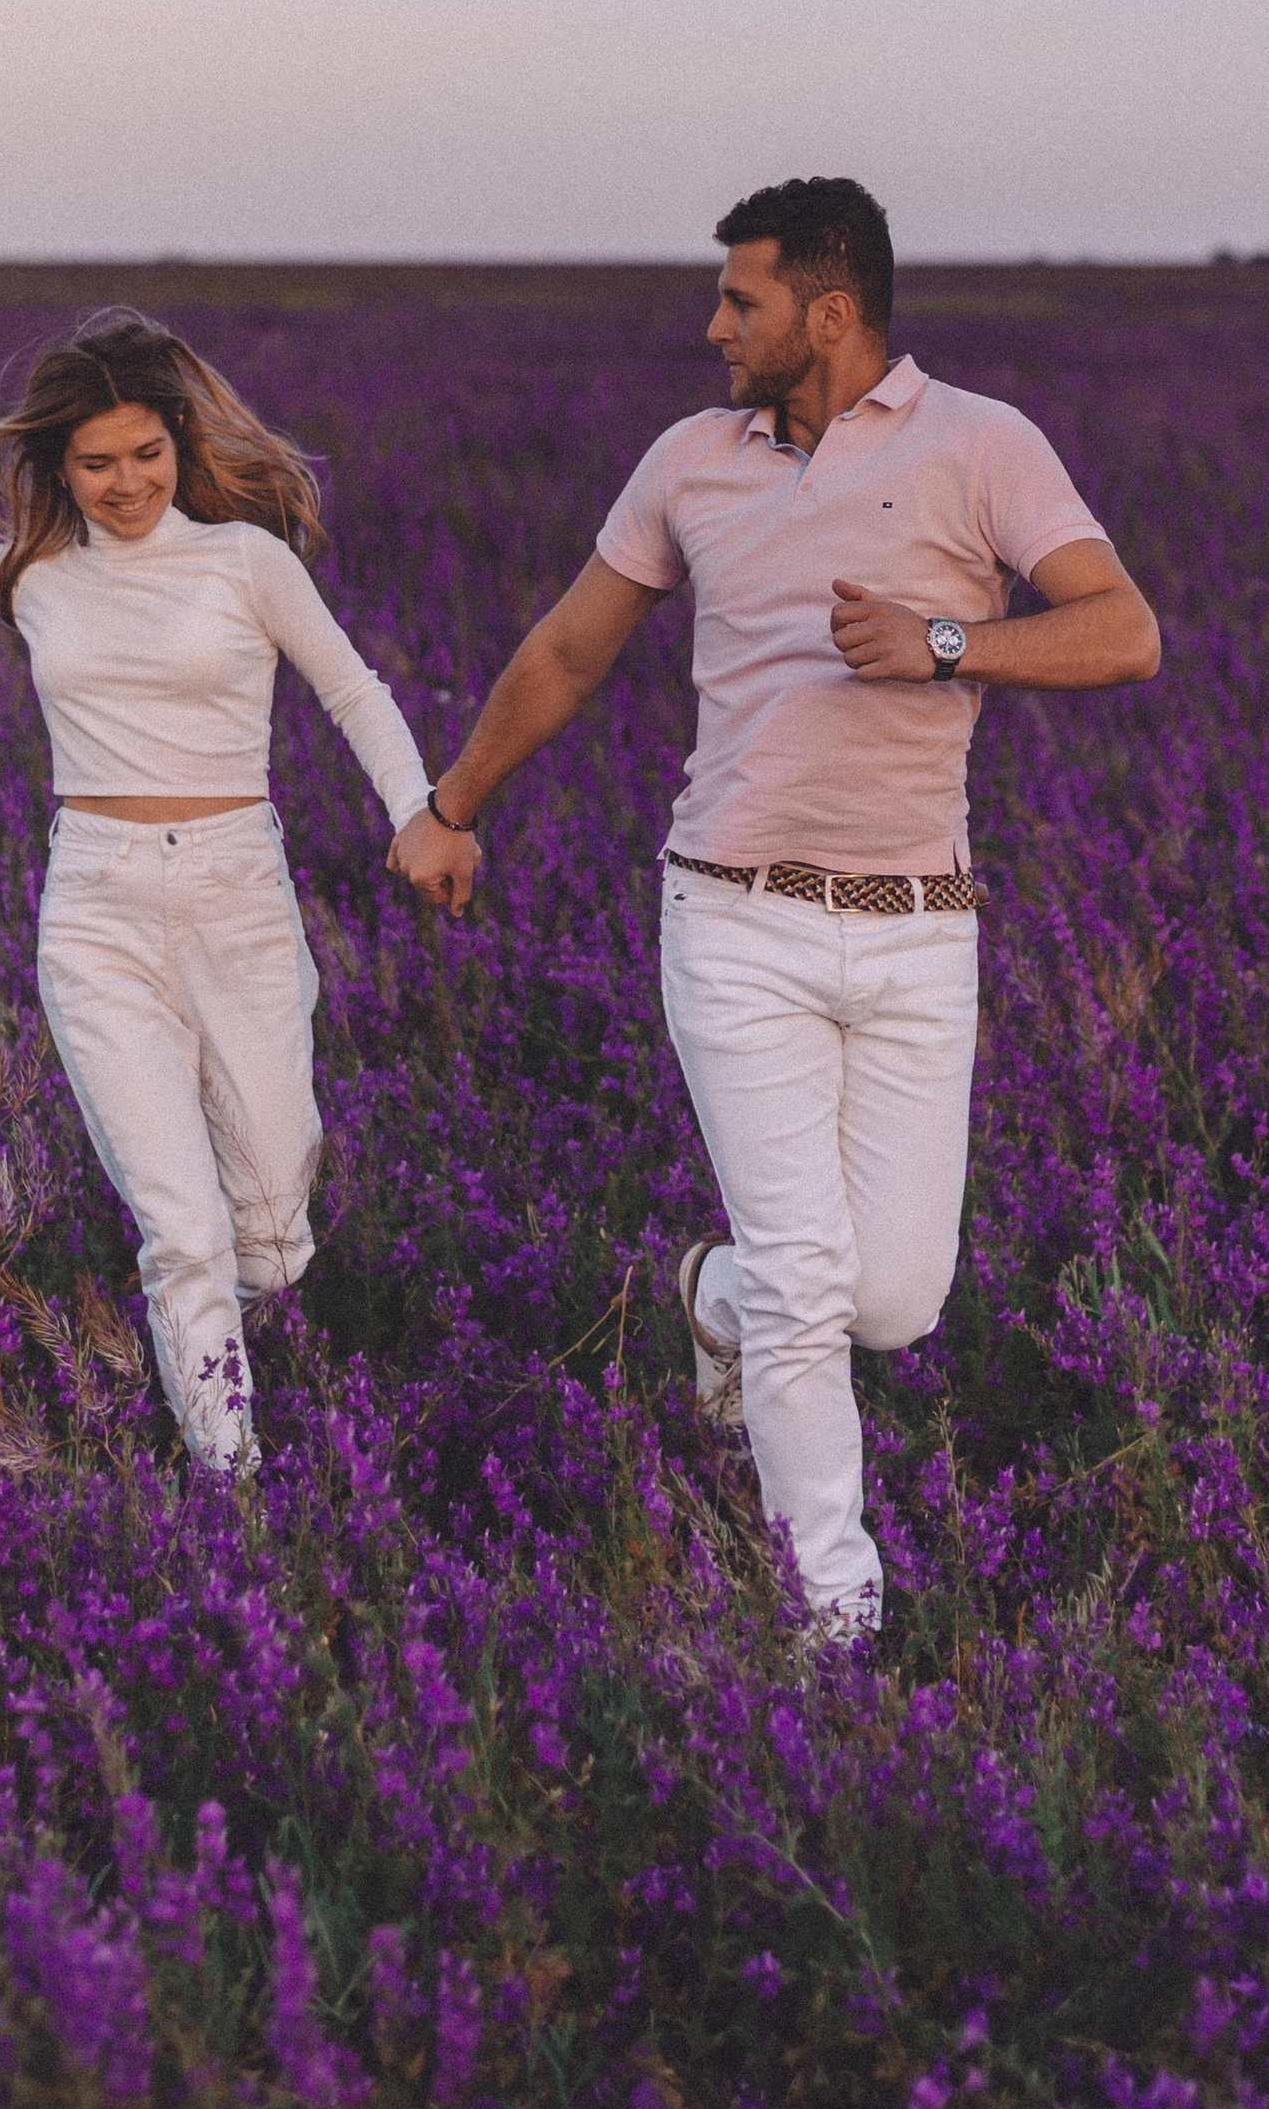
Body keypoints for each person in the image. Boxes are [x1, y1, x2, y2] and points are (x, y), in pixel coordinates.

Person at [389, 177, 1160, 1632]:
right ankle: (837, 1617)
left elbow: (1126, 632)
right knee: (815, 1289)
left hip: (923, 925)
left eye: (739, 300)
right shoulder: (689, 461)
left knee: (895, 1304)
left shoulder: (983, 443)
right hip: (735, 916)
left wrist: (946, 642)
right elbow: (565, 651)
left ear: (830, 311)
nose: (711, 326)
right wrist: (451, 809)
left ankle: (711, 1293)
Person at [0, 304, 436, 1476]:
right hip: (97, 908)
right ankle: (236, 1500)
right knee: (183, 1233)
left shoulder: (245, 563)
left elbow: (354, 691)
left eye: (145, 454)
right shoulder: (35, 575)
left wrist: (415, 811)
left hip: (237, 896)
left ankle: (243, 1329)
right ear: (54, 465)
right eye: (95, 462)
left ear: (178, 444)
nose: (125, 484)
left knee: (271, 1234)